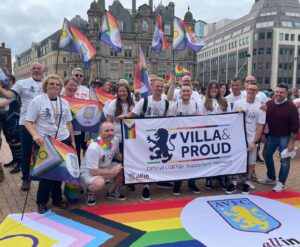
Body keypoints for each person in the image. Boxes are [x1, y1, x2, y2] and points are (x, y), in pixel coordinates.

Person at [25, 74, 75, 213]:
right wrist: (35, 135)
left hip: (62, 141)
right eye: (51, 84)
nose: (54, 86)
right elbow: (28, 122)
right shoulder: (37, 101)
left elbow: (69, 123)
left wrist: (72, 141)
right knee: (46, 174)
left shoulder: (64, 102)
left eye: (57, 84)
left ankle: (57, 198)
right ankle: (41, 202)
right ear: (45, 86)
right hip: (45, 142)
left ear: (60, 88)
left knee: (59, 173)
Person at [0, 62, 44, 191]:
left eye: (39, 68)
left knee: (41, 153)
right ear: (30, 70)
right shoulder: (22, 83)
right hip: (25, 123)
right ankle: (26, 179)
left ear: (43, 70)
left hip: (42, 125)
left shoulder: (47, 83)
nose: (36, 70)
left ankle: (42, 177)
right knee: (26, 153)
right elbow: (9, 96)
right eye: (34, 68)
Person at [127, 77, 171, 201]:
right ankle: (146, 185)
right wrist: (124, 116)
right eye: (157, 86)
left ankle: (159, 180)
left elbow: (169, 119)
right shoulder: (144, 101)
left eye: (162, 87)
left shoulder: (166, 102)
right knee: (146, 161)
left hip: (158, 136)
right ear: (152, 87)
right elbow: (134, 114)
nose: (159, 89)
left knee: (158, 160)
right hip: (145, 137)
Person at [227, 82, 265, 194]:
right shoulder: (238, 103)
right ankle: (234, 182)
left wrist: (255, 142)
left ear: (257, 92)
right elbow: (231, 119)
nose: (251, 91)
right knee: (236, 159)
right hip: (238, 137)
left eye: (254, 90)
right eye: (249, 89)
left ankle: (247, 182)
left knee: (251, 161)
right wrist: (236, 112)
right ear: (246, 89)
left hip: (252, 137)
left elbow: (260, 126)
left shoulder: (261, 107)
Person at [259, 84, 299, 192]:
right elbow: (264, 120)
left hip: (285, 137)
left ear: (286, 93)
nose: (278, 94)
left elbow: (295, 126)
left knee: (284, 160)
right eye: (277, 91)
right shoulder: (269, 104)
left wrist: (291, 142)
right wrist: (263, 134)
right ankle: (271, 177)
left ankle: (281, 183)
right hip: (272, 135)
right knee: (266, 154)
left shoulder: (291, 107)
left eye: (281, 92)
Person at [80, 122, 125, 206]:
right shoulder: (94, 147)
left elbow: (116, 154)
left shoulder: (115, 140)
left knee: (124, 168)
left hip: (106, 167)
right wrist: (111, 172)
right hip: (89, 172)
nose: (110, 133)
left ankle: (112, 192)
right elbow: (93, 171)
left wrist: (127, 161)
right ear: (101, 132)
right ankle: (90, 193)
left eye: (112, 130)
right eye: (107, 131)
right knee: (99, 183)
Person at [167, 85, 201, 196]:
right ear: (180, 93)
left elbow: (199, 120)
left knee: (193, 162)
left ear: (191, 93)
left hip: (191, 139)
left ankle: (192, 183)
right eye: (184, 91)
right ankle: (178, 184)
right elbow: (169, 120)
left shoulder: (195, 104)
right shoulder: (175, 105)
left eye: (188, 91)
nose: (186, 93)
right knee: (179, 162)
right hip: (179, 139)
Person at [198, 80, 228, 190]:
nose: (214, 90)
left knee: (221, 157)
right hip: (209, 134)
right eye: (212, 88)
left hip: (220, 134)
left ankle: (222, 178)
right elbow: (200, 117)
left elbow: (228, 117)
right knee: (210, 157)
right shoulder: (203, 101)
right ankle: (209, 179)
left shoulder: (224, 101)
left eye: (216, 88)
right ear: (208, 90)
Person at [1, 74, 22, 174]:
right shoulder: (4, 92)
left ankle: (20, 163)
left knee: (16, 142)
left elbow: (4, 103)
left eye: (7, 80)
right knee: (10, 141)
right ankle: (15, 159)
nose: (5, 82)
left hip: (15, 120)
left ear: (13, 82)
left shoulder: (15, 93)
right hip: (6, 121)